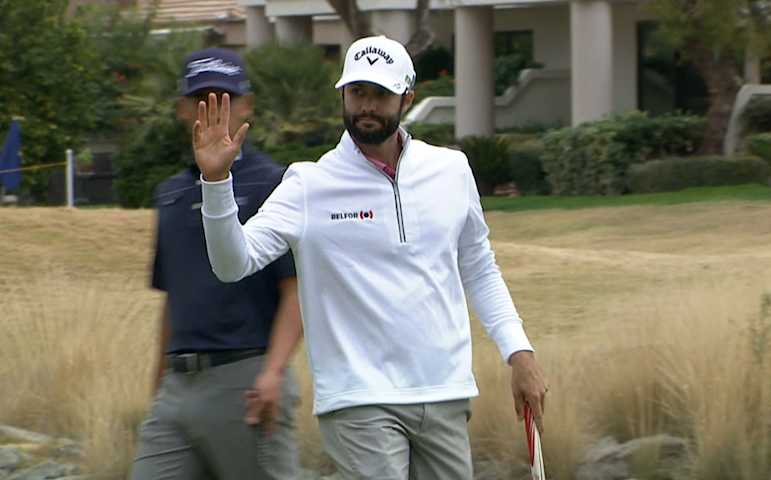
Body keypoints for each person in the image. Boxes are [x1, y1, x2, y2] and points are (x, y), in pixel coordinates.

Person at [193, 36, 548, 479]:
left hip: (444, 391)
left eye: (380, 95)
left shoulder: (451, 170)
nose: (367, 106)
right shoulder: (308, 183)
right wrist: (216, 181)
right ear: (343, 95)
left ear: (407, 98)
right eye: (358, 93)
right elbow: (233, 264)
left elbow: (478, 267)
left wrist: (520, 354)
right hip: (358, 400)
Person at [130, 47, 302, 480]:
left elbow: (296, 290)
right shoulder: (170, 194)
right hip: (178, 386)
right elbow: (173, 297)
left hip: (246, 378)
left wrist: (274, 372)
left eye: (224, 98)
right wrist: (159, 383)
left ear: (247, 106)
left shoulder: (274, 184)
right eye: (201, 99)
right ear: (182, 109)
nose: (213, 111)